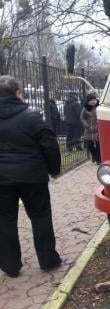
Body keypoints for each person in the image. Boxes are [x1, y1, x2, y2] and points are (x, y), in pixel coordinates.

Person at [0, 75, 62, 278]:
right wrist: (54, 169)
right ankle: (48, 260)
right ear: (17, 93)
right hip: (32, 177)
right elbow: (50, 145)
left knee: (5, 221)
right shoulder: (32, 117)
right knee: (40, 217)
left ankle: (10, 266)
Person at [80, 92, 101, 164]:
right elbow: (82, 118)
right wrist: (86, 124)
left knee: (98, 145)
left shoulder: (99, 106)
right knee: (89, 145)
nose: (93, 101)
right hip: (89, 129)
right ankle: (94, 156)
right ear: (88, 101)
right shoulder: (85, 108)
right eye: (91, 100)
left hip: (98, 129)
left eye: (94, 100)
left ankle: (99, 160)